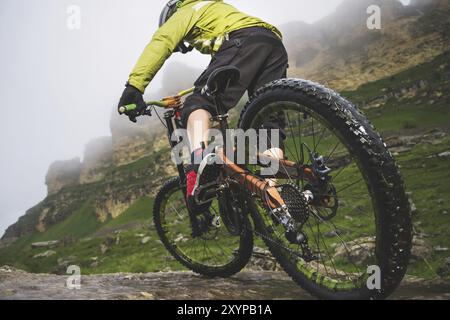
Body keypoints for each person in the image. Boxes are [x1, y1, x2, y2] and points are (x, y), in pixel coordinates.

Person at [118, 0, 288, 219]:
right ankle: (273, 190)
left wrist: (134, 87)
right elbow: (233, 68)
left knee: (198, 103)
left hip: (242, 40)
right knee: (268, 118)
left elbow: (163, 41)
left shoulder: (187, 10)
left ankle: (201, 158)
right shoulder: (215, 7)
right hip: (273, 43)